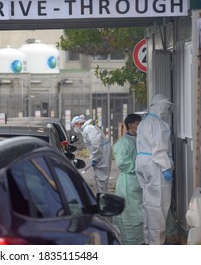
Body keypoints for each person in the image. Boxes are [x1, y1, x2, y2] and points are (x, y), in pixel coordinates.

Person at [136, 94, 175, 245]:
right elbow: (159, 148)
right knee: (158, 206)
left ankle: (149, 241)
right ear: (159, 106)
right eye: (165, 107)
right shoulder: (158, 124)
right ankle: (156, 244)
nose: (166, 111)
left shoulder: (144, 122)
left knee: (148, 203)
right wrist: (166, 167)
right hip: (155, 166)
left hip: (143, 164)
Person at [112, 113, 144, 245]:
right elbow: (122, 162)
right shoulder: (124, 143)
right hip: (129, 183)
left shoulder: (140, 139)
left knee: (140, 213)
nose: (141, 126)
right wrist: (140, 169)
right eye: (138, 123)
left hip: (139, 180)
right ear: (131, 125)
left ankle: (141, 241)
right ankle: (131, 243)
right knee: (131, 214)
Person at [71, 115, 112, 193]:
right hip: (101, 153)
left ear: (78, 123)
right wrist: (94, 157)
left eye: (74, 125)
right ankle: (101, 194)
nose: (74, 127)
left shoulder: (90, 129)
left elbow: (96, 145)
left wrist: (96, 158)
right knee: (99, 176)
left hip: (103, 154)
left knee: (101, 176)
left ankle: (102, 196)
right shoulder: (86, 129)